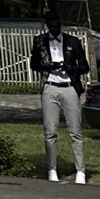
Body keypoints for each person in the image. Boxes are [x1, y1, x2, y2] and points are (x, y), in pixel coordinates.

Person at [31, 15, 90, 183]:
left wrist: (70, 67)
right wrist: (47, 66)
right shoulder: (40, 42)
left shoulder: (72, 41)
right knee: (50, 131)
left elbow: (84, 66)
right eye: (51, 25)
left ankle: (80, 171)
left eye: (56, 25)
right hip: (50, 86)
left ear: (60, 25)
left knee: (75, 131)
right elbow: (34, 64)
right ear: (47, 25)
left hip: (69, 86)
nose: (54, 27)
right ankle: (51, 169)